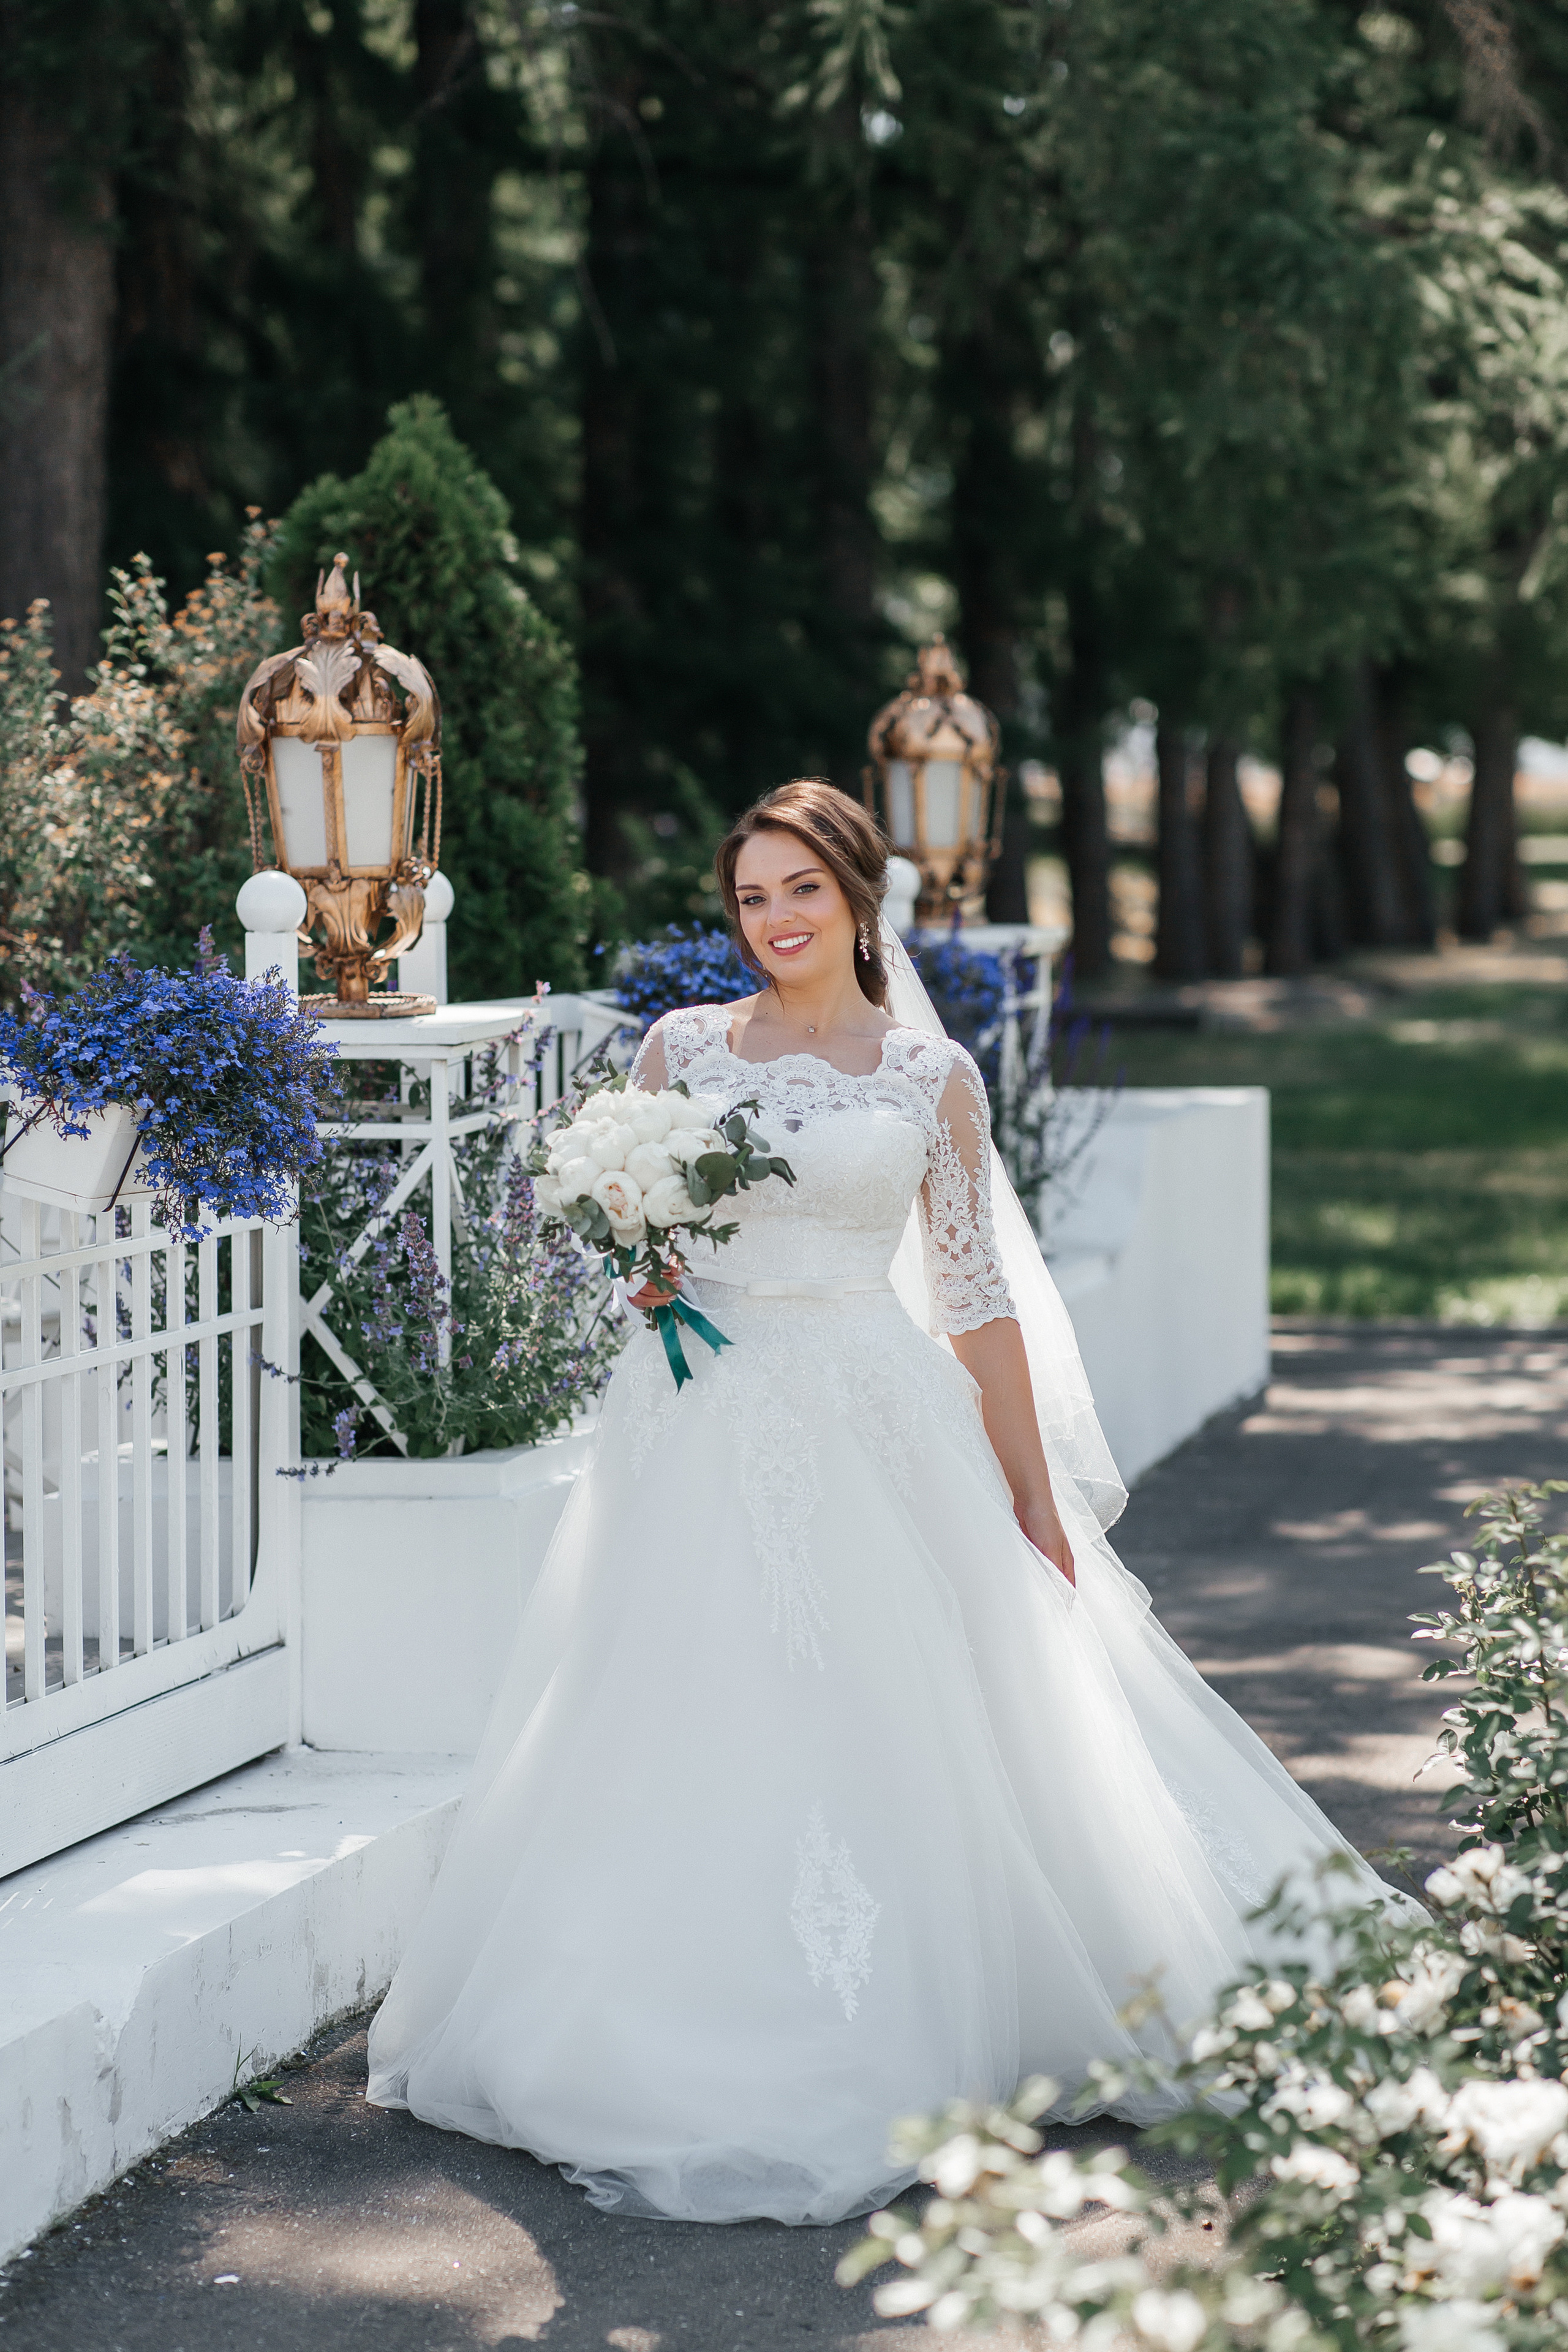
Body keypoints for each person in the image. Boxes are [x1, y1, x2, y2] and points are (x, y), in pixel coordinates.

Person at [366, 778, 1410, 2228]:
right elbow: (627, 1225)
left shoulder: (929, 1079)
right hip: (698, 1414)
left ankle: (922, 2009)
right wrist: (646, 1267)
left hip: (870, 1408)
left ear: (857, 896)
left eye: (799, 889)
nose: (773, 921)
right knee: (681, 1694)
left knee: (888, 1698)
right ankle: (654, 2001)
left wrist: (1035, 1512)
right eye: (749, 897)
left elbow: (978, 1304)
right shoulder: (678, 1047)